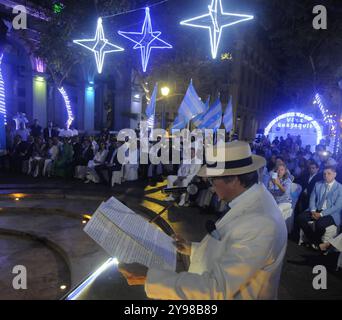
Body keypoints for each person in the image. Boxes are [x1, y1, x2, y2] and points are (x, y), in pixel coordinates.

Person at [118, 141, 287, 300]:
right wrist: (193, 249)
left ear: (234, 179)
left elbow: (216, 289)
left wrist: (150, 277)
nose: (211, 186)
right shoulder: (252, 200)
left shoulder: (260, 222)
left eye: (213, 180)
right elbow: (231, 248)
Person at [296, 166, 342, 247]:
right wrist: (313, 210)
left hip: (331, 213)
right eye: (324, 174)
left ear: (335, 174)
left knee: (319, 224)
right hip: (316, 209)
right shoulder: (318, 184)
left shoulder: (340, 188)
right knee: (300, 218)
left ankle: (313, 241)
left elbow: (337, 207)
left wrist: (321, 214)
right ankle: (315, 241)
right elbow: (312, 199)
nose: (326, 176)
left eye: (329, 174)